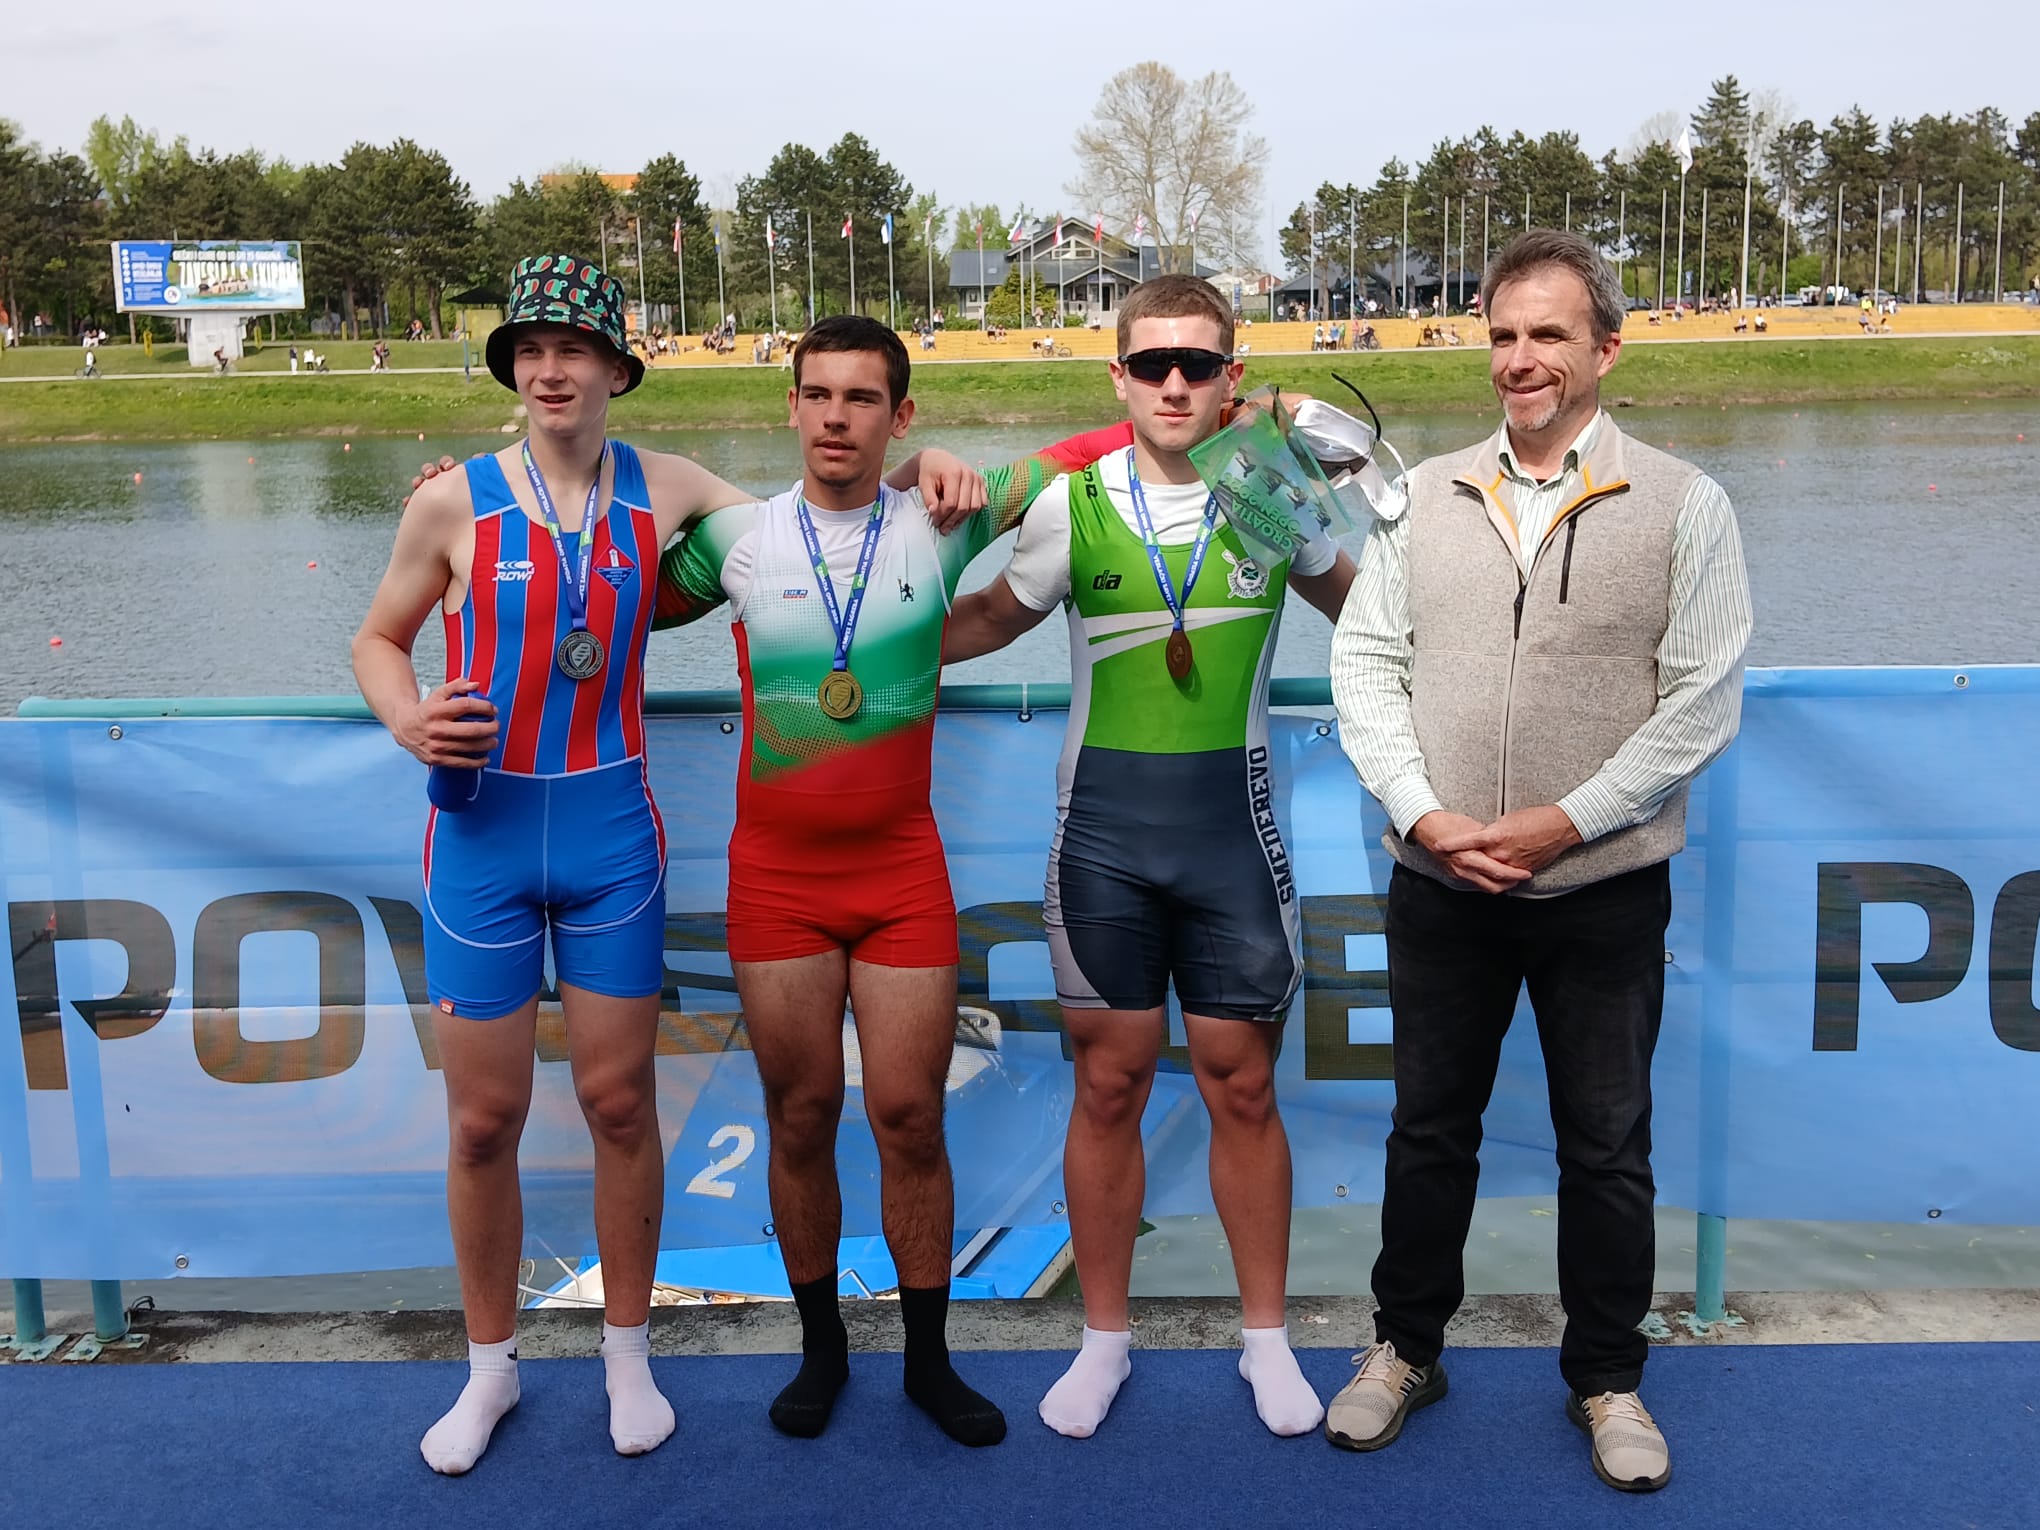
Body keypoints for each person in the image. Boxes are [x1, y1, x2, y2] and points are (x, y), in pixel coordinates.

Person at [353, 259, 979, 1478]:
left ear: (616, 371)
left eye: (575, 350)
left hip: (610, 840)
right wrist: (407, 716)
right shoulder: (453, 501)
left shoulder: (679, 490)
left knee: (620, 1106)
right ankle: (488, 1372)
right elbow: (379, 638)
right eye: (531, 349)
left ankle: (627, 1359)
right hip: (479, 835)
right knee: (480, 1121)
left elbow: (822, 520)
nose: (551, 370)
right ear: (511, 368)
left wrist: (923, 469)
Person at [650, 316, 1124, 1449]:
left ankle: (927, 1361)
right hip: (776, 881)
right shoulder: (740, 539)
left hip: (901, 875)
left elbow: (1079, 454)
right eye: (816, 395)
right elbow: (606, 587)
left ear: (899, 415)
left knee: (911, 1116)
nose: (835, 418)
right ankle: (822, 1350)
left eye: (862, 399)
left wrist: (1237, 422)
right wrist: (462, 511)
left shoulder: (942, 523)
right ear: (791, 406)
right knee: (801, 1115)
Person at [1326, 230, 1751, 1492]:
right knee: (1427, 1133)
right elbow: (1367, 664)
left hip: (1602, 891)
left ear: (1606, 348)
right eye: (1503, 334)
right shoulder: (1423, 497)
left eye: (1549, 334)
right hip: (1441, 881)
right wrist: (1424, 815)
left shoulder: (1685, 503)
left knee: (1607, 1145)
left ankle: (1607, 1377)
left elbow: (1701, 702)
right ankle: (1407, 1350)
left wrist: (1565, 821)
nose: (1520, 358)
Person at [938, 275, 1361, 1442]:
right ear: (1117, 377)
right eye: (1152, 365)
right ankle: (1103, 1341)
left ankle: (1265, 1341)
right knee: (1109, 1086)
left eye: (1198, 365)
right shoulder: (1069, 504)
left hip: (1234, 841)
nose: (1175, 385)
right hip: (1103, 846)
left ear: (1233, 378)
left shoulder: (1266, 494)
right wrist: (859, 652)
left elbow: (1373, 614)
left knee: (1243, 1087)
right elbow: (989, 620)